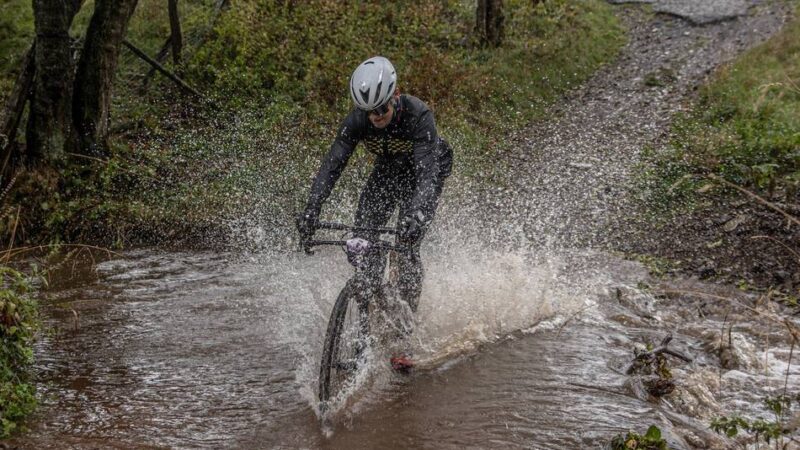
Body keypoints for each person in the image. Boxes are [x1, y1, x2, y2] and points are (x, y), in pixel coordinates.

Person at [296, 56, 452, 369]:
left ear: (395, 96)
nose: (376, 116)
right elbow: (332, 165)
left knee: (407, 246)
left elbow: (426, 173)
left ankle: (404, 335)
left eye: (381, 108)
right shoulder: (357, 121)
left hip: (427, 171)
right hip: (388, 170)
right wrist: (312, 207)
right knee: (365, 242)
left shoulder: (418, 114)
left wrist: (417, 214)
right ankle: (370, 304)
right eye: (369, 111)